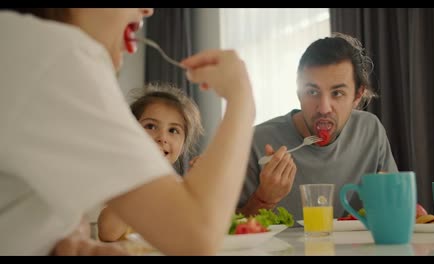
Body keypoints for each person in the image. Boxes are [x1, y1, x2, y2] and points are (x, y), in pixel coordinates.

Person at [0, 8, 255, 256]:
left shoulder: (20, 43)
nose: (148, 10)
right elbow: (196, 237)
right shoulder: (57, 51)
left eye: (174, 130)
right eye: (150, 126)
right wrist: (241, 97)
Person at [237, 32, 398, 222]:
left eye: (337, 93)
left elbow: (395, 208)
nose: (323, 108)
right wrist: (263, 199)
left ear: (357, 96)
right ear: (299, 92)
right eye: (312, 91)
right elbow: (223, 234)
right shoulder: (256, 142)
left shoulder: (370, 131)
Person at [98, 83, 204, 242]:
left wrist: (202, 185)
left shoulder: (180, 188)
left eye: (173, 130)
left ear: (182, 146)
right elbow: (108, 232)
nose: (162, 137)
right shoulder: (125, 182)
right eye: (151, 126)